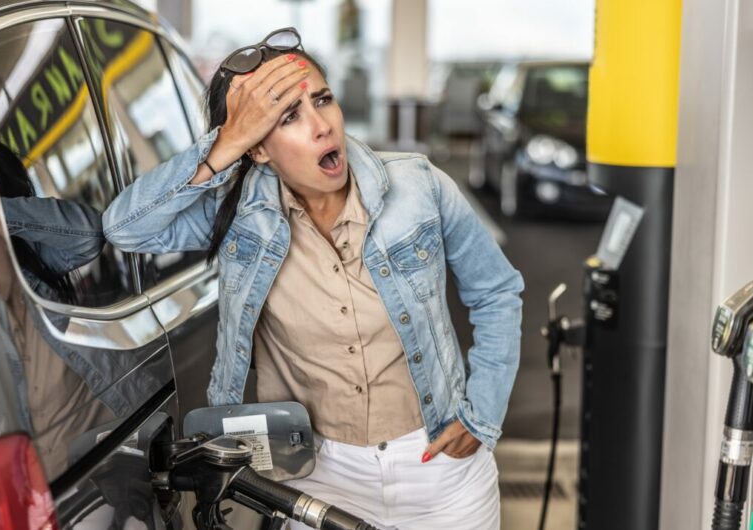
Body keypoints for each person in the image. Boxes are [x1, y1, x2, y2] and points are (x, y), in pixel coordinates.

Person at [103, 27, 523, 530]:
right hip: (319, 476)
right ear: (258, 149)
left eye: (322, 99)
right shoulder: (238, 218)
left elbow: (497, 291)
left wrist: (482, 416)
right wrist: (227, 141)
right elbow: (124, 228)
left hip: (440, 469)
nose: (322, 126)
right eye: (287, 117)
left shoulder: (421, 186)